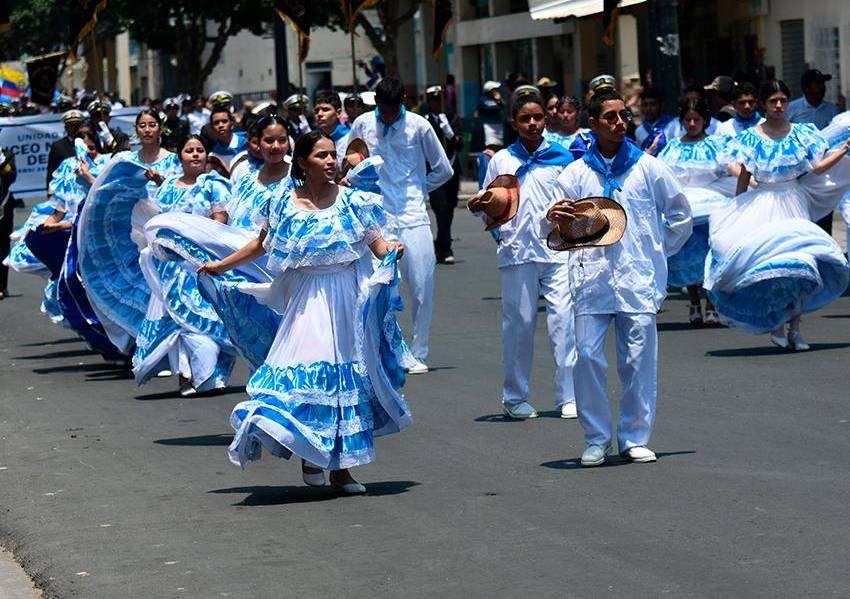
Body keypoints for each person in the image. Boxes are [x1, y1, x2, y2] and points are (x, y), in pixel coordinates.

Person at [197, 130, 411, 494]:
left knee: (346, 379)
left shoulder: (356, 202)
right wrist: (221, 266)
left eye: (333, 155)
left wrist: (393, 247)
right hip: (305, 301)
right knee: (309, 377)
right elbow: (261, 244)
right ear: (303, 163)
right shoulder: (283, 201)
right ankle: (311, 455)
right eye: (322, 156)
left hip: (345, 298)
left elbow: (377, 245)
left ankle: (342, 470)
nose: (331, 162)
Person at [544, 88, 692, 466]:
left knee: (638, 358)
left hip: (637, 278)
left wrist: (656, 253)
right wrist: (557, 218)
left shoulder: (649, 167)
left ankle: (634, 436)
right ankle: (596, 437)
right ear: (592, 124)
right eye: (610, 117)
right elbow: (557, 229)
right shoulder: (575, 174)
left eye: (624, 115)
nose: (620, 123)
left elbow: (680, 217)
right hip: (590, 278)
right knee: (588, 356)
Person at [707, 80, 850, 351]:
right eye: (773, 100)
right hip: (762, 204)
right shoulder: (750, 137)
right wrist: (737, 210)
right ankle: (778, 324)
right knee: (773, 267)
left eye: (783, 100)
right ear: (764, 103)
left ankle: (795, 328)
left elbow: (817, 168)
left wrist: (843, 150)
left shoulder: (801, 133)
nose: (779, 106)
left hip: (794, 202)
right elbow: (744, 176)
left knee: (802, 264)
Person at [470, 92, 577, 420]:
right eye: (525, 119)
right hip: (517, 252)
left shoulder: (563, 157)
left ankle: (569, 395)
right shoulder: (501, 160)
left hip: (557, 250)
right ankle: (515, 397)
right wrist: (484, 211)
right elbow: (486, 205)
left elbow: (577, 199)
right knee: (520, 324)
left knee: (564, 322)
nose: (533, 124)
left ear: (547, 119)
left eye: (538, 117)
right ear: (514, 122)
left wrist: (565, 214)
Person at [348, 76, 453, 373]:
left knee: (421, 285)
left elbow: (443, 169)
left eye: (394, 109)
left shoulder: (419, 126)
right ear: (376, 104)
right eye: (384, 109)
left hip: (412, 216)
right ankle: (377, 350)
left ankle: (418, 351)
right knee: (372, 289)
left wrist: (420, 188)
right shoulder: (364, 124)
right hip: (376, 217)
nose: (389, 115)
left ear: (403, 103)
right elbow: (349, 160)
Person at [133, 135, 235, 395]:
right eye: (189, 150)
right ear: (180, 156)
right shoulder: (167, 187)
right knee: (180, 322)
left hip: (204, 264)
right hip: (172, 267)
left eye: (200, 150)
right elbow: (160, 222)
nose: (195, 155)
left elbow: (220, 222)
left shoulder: (214, 185)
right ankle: (186, 374)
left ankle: (211, 376)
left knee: (208, 319)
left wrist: (198, 243)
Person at [658, 98, 734, 325]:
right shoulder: (672, 147)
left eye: (696, 119)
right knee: (686, 254)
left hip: (712, 206)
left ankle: (711, 303)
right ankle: (693, 301)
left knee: (711, 256)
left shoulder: (716, 145)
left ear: (705, 121)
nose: (692, 123)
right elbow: (663, 177)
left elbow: (729, 169)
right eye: (687, 120)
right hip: (685, 208)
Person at [424, 85, 463, 265]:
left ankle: (440, 244)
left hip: (452, 169)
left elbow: (459, 144)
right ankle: (446, 247)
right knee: (440, 208)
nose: (436, 104)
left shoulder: (453, 118)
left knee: (450, 209)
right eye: (433, 100)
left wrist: (449, 131)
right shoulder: (424, 121)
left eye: (440, 100)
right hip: (434, 171)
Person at [476, 80, 506, 187]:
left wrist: (499, 100)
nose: (496, 91)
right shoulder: (483, 100)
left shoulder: (497, 100)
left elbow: (503, 106)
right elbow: (489, 108)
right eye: (494, 90)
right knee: (487, 153)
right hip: (488, 127)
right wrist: (496, 103)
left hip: (498, 126)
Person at [46, 110, 84, 189]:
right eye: (71, 125)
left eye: (77, 124)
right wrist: (50, 191)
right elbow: (51, 171)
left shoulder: (90, 143)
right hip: (66, 188)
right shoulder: (58, 146)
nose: (75, 128)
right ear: (65, 127)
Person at [208, 106, 247, 175]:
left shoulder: (248, 142)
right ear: (212, 128)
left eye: (224, 121)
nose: (220, 125)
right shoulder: (214, 156)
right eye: (216, 123)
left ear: (232, 123)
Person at [0, 144, 17, 300]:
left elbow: (12, 177)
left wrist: (2, 163)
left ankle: (2, 286)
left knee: (3, 246)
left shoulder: (7, 154)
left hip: (3, 205)